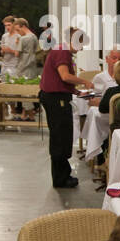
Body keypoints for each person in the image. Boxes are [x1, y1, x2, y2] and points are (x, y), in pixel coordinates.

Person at [39, 27, 84, 188]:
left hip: (57, 96)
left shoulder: (62, 51)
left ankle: (63, 174)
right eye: (81, 44)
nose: (82, 48)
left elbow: (62, 80)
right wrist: (85, 82)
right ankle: (60, 178)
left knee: (62, 135)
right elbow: (65, 76)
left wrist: (77, 91)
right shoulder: (62, 52)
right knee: (60, 136)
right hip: (55, 99)